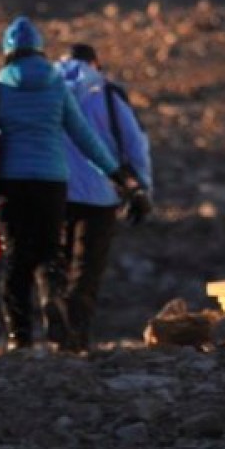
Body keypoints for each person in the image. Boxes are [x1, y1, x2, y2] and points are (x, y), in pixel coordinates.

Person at [0, 17, 131, 351]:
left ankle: (18, 338)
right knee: (50, 256)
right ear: (39, 50)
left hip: (12, 183)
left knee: (17, 260)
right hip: (53, 183)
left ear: (8, 52)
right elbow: (84, 137)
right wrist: (114, 172)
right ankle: (55, 320)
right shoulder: (56, 88)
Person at [54, 42, 155, 354]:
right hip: (99, 195)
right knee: (85, 271)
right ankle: (76, 341)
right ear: (95, 63)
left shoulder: (44, 91)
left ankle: (56, 337)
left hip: (51, 191)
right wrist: (141, 190)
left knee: (55, 266)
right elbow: (134, 144)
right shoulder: (107, 93)